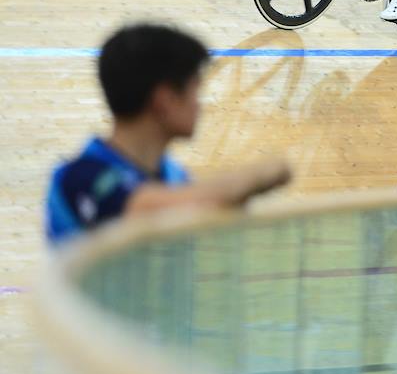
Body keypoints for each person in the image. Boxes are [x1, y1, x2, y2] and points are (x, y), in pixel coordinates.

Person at [45, 23, 292, 245]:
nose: (200, 105)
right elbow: (147, 210)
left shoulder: (176, 178)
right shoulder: (80, 178)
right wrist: (263, 173)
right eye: (195, 91)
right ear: (165, 100)